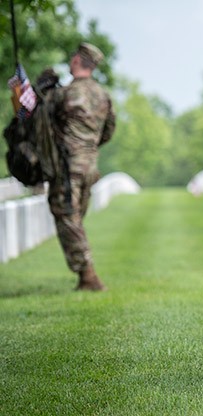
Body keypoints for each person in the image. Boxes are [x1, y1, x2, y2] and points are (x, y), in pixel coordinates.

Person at [48, 42, 116, 290]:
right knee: (75, 217)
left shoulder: (64, 94)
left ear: (77, 61)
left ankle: (88, 276)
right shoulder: (103, 95)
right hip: (90, 167)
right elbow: (108, 131)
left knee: (67, 216)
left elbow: (45, 126)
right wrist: (89, 148)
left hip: (68, 167)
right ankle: (84, 277)